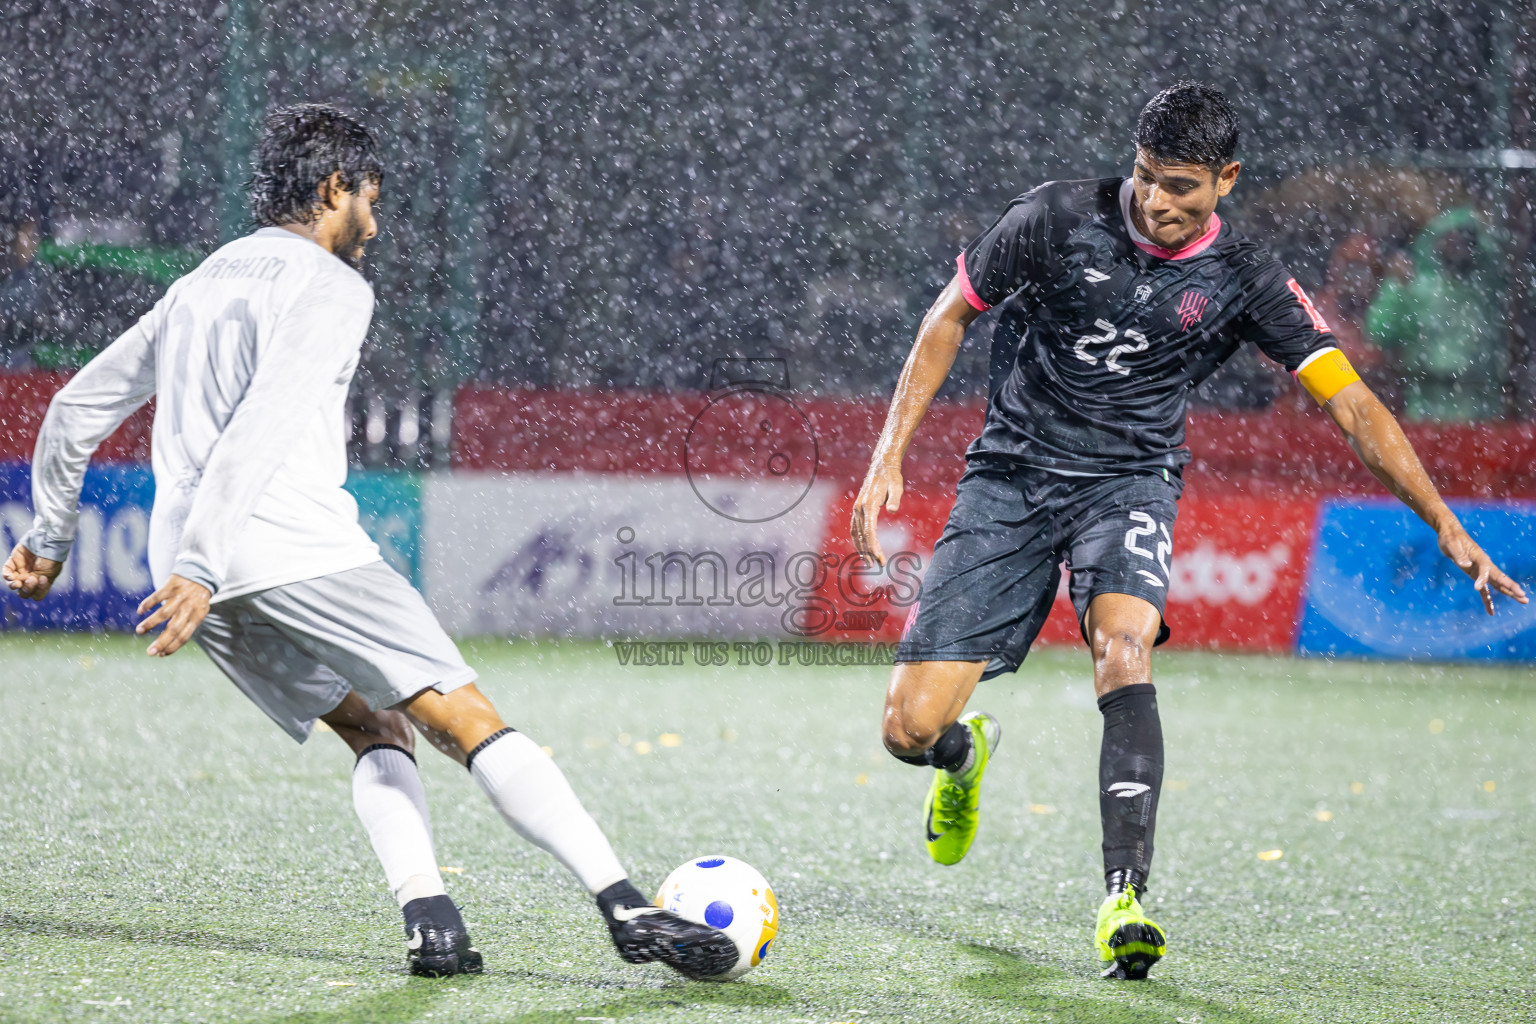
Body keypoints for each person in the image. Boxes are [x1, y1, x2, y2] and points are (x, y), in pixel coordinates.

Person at [3, 104, 735, 981]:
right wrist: (205, 560)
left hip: (193, 569)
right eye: (370, 202)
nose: (375, 226)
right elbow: (263, 425)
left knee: (373, 725)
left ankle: (432, 922)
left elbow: (74, 408)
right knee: (466, 720)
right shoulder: (330, 285)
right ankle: (625, 907)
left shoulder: (197, 283)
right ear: (332, 189)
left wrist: (52, 536)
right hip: (288, 547)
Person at [849, 82, 1527, 981]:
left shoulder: (1245, 275)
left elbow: (1354, 405)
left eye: (1180, 186)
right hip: (1011, 475)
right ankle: (961, 751)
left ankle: (1125, 899)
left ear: (1227, 180)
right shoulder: (1053, 218)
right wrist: (887, 455)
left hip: (1130, 480)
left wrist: (1444, 520)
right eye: (1145, 178)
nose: (1158, 203)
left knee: (1124, 647)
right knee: (906, 727)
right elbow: (948, 318)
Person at [1367, 208, 1508, 422]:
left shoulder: (1489, 290)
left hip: (1477, 407)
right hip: (1425, 404)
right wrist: (1400, 289)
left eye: (1464, 241)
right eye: (1450, 240)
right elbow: (1378, 330)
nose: (1456, 247)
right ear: (1435, 243)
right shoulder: (1420, 287)